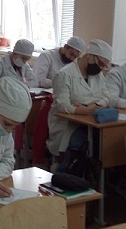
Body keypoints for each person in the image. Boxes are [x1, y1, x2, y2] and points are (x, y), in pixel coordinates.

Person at [47, 39, 112, 171]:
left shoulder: (97, 74)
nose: (101, 69)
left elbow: (106, 96)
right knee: (80, 142)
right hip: (66, 125)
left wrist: (90, 107)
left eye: (104, 66)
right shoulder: (65, 74)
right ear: (90, 56)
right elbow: (63, 105)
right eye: (100, 64)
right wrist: (88, 110)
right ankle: (66, 167)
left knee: (106, 140)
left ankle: (92, 172)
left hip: (90, 121)